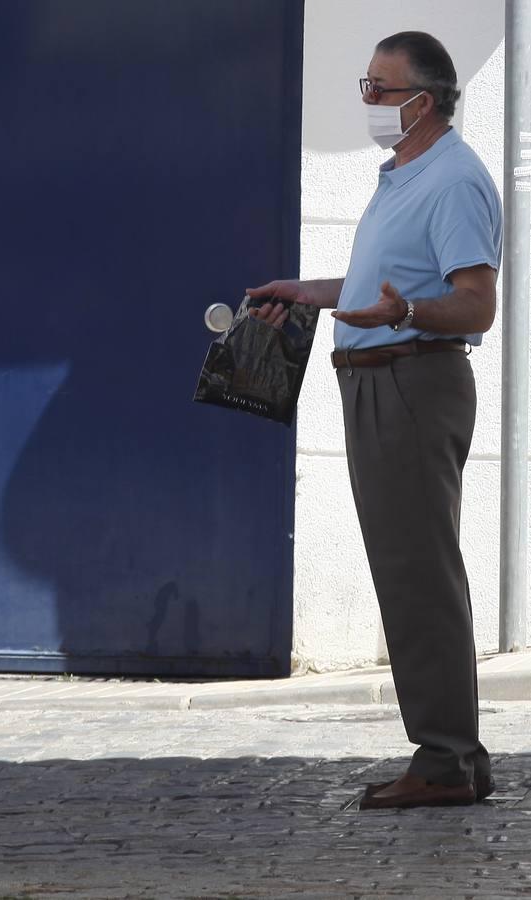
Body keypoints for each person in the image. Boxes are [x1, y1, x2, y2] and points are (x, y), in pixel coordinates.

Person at [248, 31, 501, 810]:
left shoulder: (453, 180)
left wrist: (408, 314)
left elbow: (474, 302)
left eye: (377, 90)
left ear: (420, 102)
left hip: (411, 383)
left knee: (417, 572)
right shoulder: (402, 176)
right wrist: (309, 291)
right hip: (380, 382)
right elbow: (376, 286)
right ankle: (455, 751)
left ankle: (444, 758)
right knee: (413, 569)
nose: (366, 103)